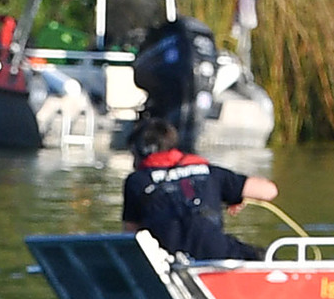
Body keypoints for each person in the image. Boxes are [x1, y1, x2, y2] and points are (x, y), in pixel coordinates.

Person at [118, 106, 278, 264]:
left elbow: (131, 234)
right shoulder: (209, 172)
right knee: (265, 256)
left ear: (141, 151)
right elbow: (269, 191)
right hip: (216, 253)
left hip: (167, 258)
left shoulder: (136, 181)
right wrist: (236, 195)